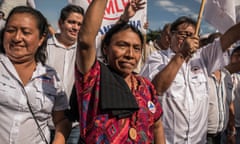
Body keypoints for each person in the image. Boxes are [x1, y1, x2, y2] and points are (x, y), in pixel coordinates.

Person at [75, 0, 165, 143]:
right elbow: (85, 41)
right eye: (122, 45)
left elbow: (157, 125)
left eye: (136, 48)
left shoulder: (146, 86)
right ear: (105, 49)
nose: (130, 54)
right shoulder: (95, 78)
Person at [140, 16, 240, 143]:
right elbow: (157, 89)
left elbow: (229, 38)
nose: (188, 39)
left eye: (192, 35)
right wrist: (182, 54)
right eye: (183, 34)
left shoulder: (203, 58)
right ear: (170, 37)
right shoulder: (158, 59)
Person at [0, 6, 71, 144]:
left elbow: (61, 120)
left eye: (25, 32)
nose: (17, 37)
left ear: (40, 39)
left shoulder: (51, 77)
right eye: (10, 30)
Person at [45, 4, 84, 144]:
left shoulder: (84, 52)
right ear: (60, 23)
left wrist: (124, 18)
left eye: (80, 24)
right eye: (71, 22)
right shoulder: (43, 47)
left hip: (73, 125)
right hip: (41, 122)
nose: (76, 27)